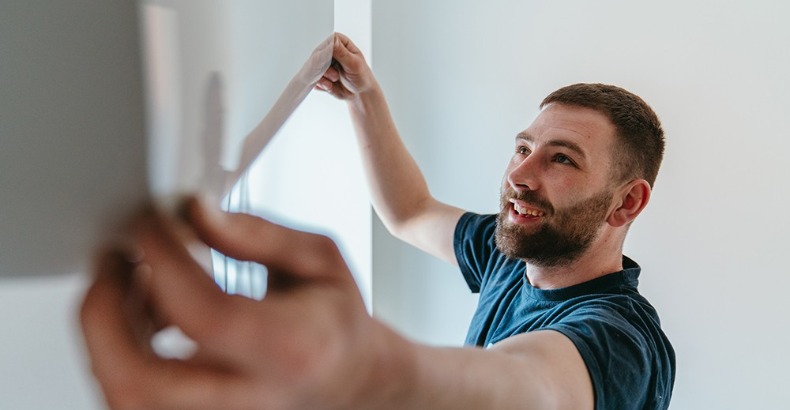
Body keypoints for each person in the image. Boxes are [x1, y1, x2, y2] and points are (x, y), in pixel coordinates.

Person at [80, 33, 675, 409]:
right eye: (523, 148)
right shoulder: (510, 256)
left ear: (626, 203)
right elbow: (410, 210)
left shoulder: (623, 342)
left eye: (561, 159)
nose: (520, 174)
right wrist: (363, 95)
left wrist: (368, 370)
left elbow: (535, 387)